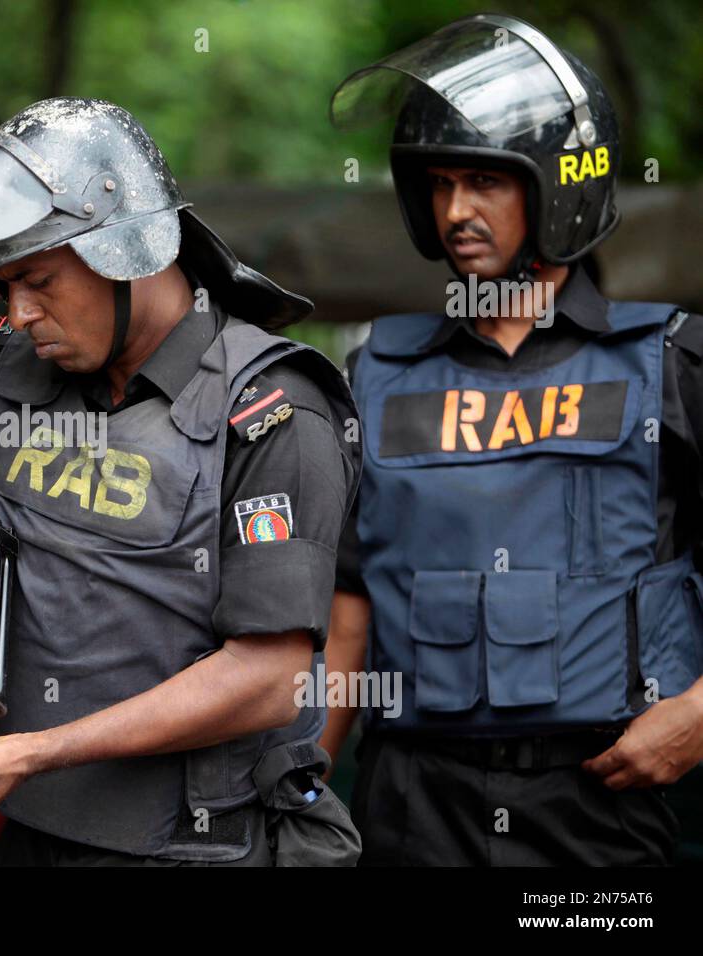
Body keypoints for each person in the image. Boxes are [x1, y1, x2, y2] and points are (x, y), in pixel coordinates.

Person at [0, 97, 363, 866]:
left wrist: (41, 750)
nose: (17, 314)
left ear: (131, 249)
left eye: (38, 280)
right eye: (1, 288)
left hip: (199, 848)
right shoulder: (7, 380)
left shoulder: (271, 410)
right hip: (25, 824)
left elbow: (269, 677)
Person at [323, 13, 703, 865]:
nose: (457, 210)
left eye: (485, 182)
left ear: (560, 187)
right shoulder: (375, 376)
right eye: (440, 184)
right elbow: (348, 614)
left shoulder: (672, 362)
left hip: (601, 805)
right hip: (411, 806)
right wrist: (300, 792)